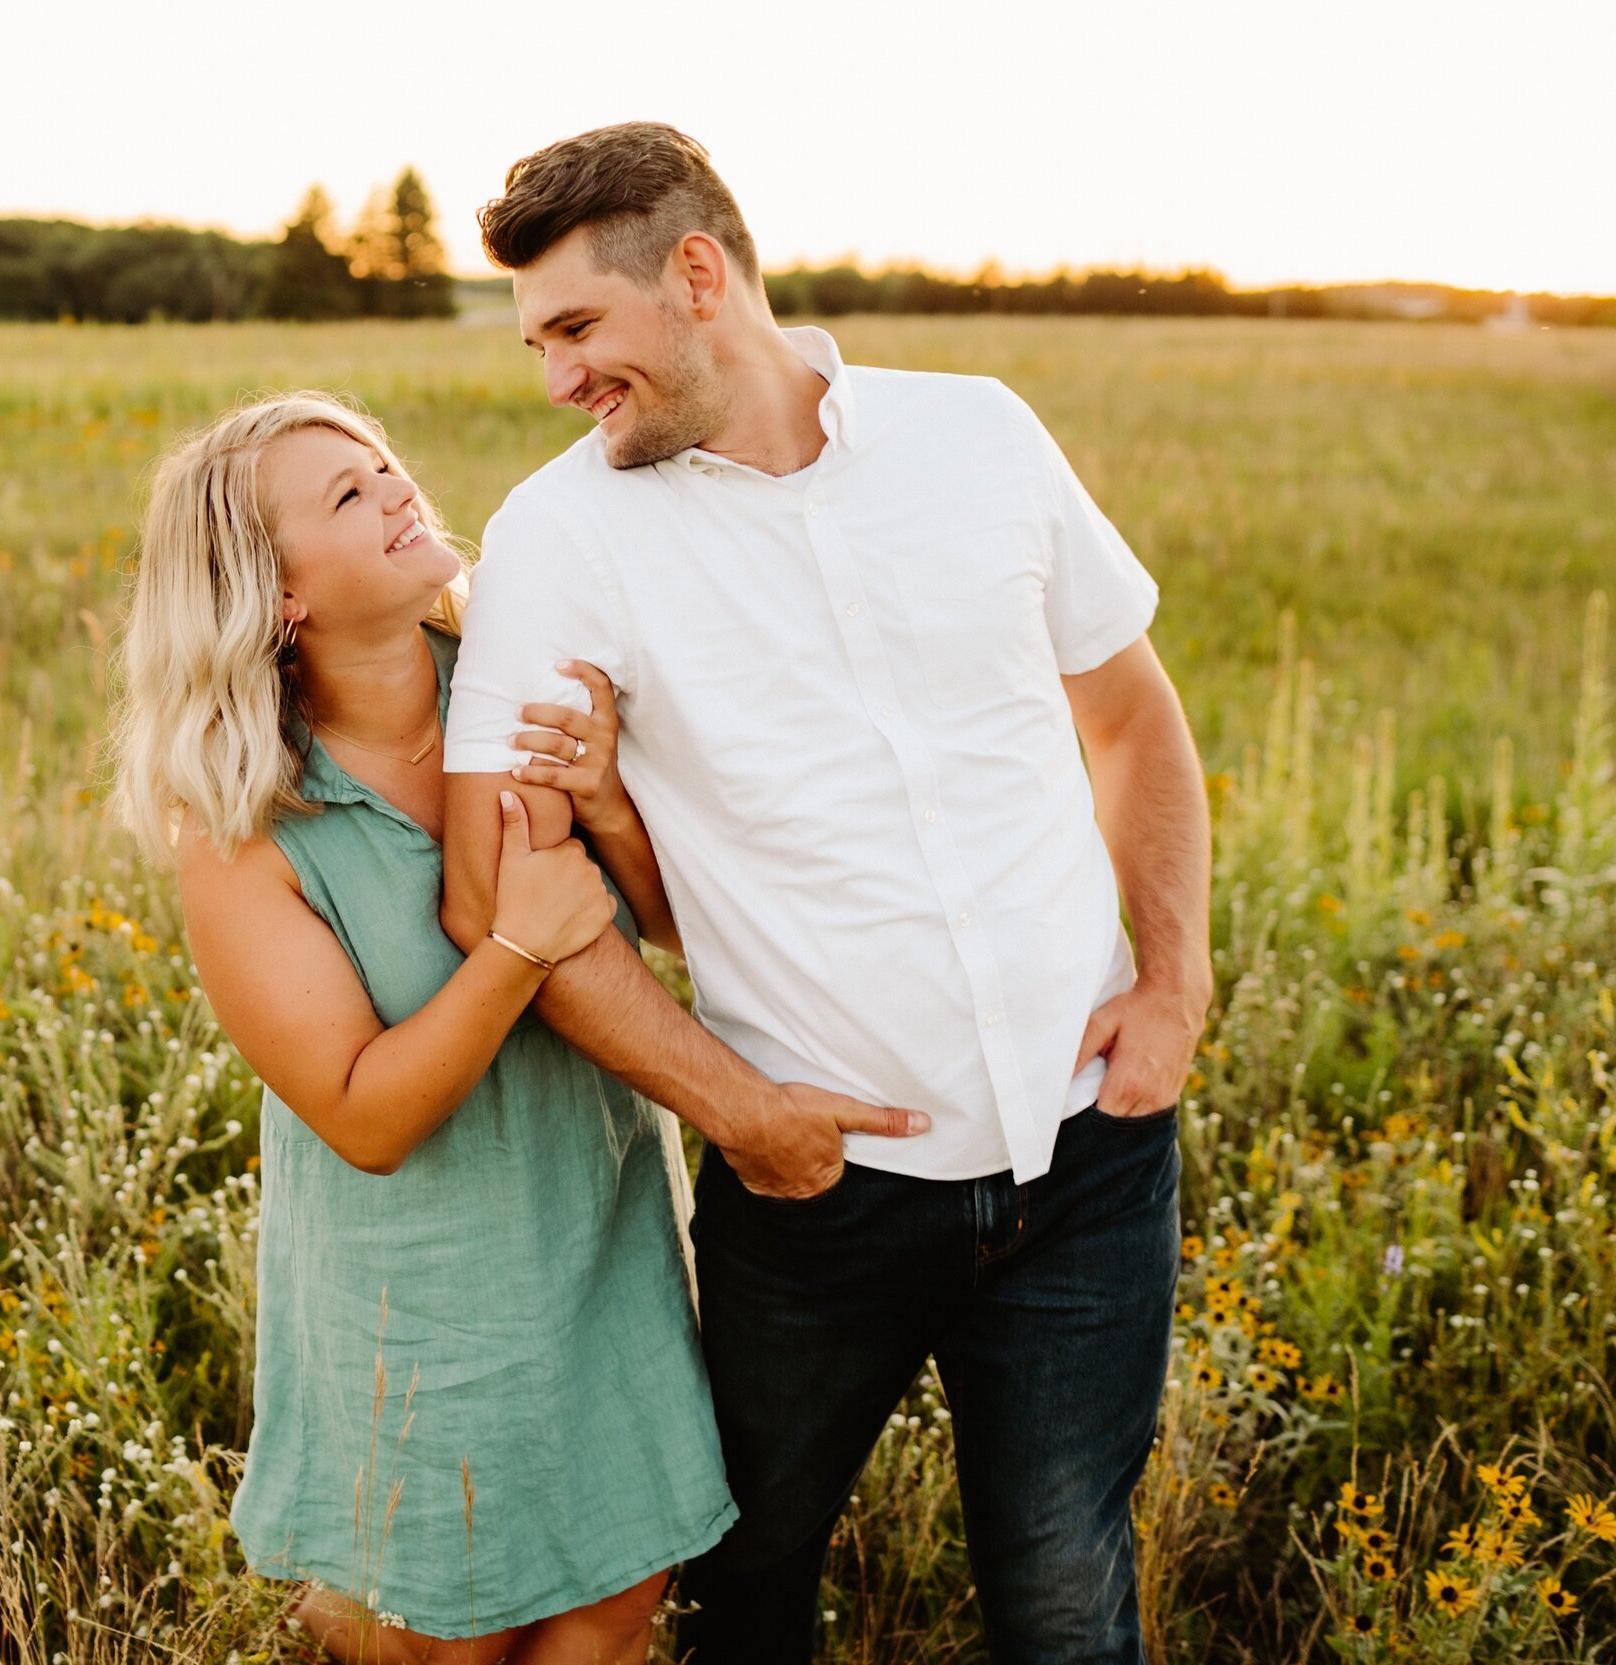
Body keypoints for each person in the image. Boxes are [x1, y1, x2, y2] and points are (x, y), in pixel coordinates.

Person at [438, 124, 1214, 1664]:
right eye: (535, 344)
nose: (556, 382)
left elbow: (1130, 717)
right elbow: (493, 894)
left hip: (1090, 1163)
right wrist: (738, 1112)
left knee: (1070, 1599)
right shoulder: (561, 535)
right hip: (813, 1198)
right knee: (752, 1584)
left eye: (578, 329)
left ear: (701, 276)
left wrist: (1174, 984)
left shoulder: (981, 435)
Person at [113, 393, 893, 1660]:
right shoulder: (245, 823)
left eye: (383, 466)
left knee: (617, 1590)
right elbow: (365, 1117)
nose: (396, 492)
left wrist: (613, 809)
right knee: (443, 1635)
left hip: (599, 1238)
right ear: (279, 598)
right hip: (417, 1291)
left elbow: (676, 930)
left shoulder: (517, 692)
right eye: (346, 499)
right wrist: (516, 945)